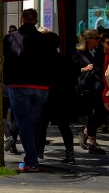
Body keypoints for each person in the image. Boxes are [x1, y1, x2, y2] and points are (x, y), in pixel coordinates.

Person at [3, 8, 57, 172]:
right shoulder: (46, 40)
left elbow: (6, 60)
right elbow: (51, 59)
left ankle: (31, 160)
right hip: (41, 86)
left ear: (21, 19)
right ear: (36, 21)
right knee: (35, 121)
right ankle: (34, 156)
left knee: (24, 122)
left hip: (19, 85)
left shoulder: (10, 38)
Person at [38, 28, 76, 163]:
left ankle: (39, 152)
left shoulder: (40, 61)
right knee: (64, 126)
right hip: (61, 98)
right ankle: (70, 153)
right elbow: (72, 79)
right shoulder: (64, 60)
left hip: (45, 97)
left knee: (42, 126)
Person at [73, 28, 106, 154]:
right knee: (93, 114)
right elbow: (72, 70)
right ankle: (93, 143)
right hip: (86, 88)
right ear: (88, 39)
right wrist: (84, 69)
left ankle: (85, 132)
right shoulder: (78, 53)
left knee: (101, 114)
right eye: (96, 38)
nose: (99, 40)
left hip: (98, 87)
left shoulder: (99, 52)